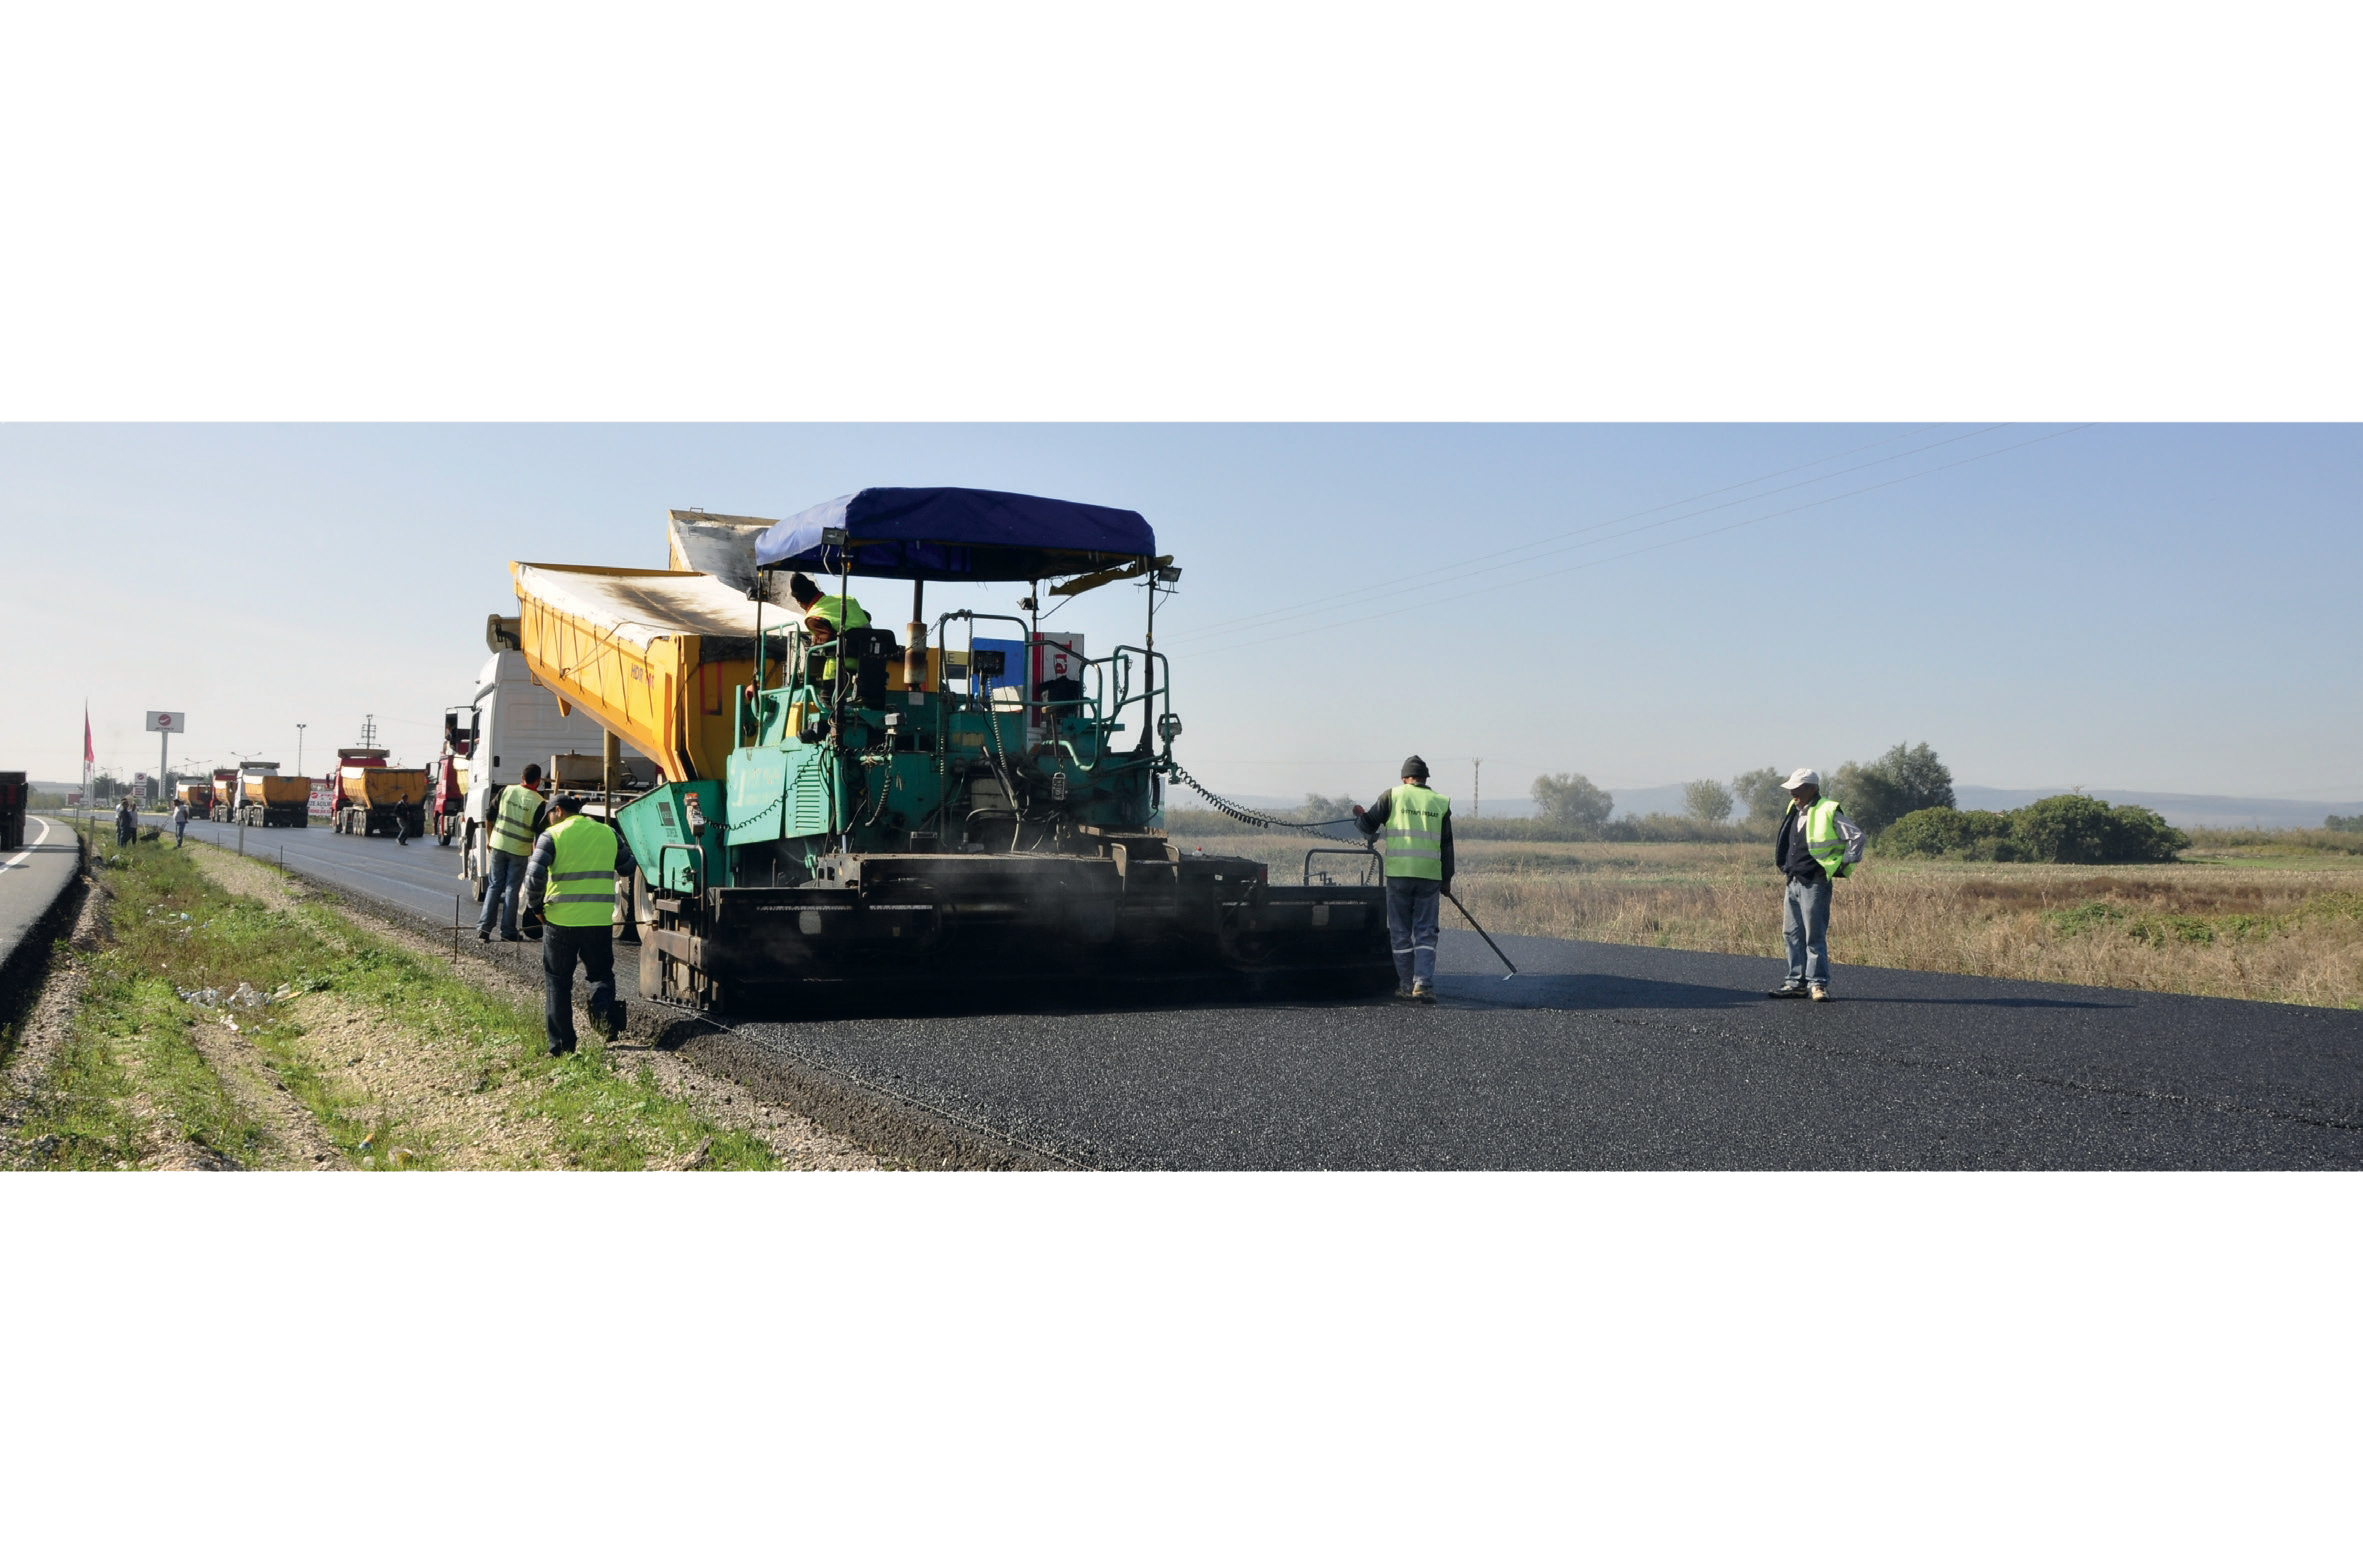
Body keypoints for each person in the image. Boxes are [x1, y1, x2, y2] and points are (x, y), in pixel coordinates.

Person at [520, 793, 636, 1055]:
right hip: (598, 919)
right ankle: (606, 1026)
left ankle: (561, 1045)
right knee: (601, 975)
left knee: (558, 982)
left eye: (549, 816)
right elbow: (628, 866)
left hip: (560, 920)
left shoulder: (552, 836)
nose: (548, 822)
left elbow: (534, 876)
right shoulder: (607, 833)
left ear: (558, 811)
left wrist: (535, 907)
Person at [1353, 755, 1455, 1003]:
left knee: (1400, 931)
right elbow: (1447, 845)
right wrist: (1446, 879)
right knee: (1425, 931)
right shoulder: (1440, 802)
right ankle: (1424, 984)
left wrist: (1359, 816)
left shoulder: (1392, 796)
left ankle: (1406, 985)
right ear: (1425, 779)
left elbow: (1367, 825)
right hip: (1430, 877)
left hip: (1399, 875)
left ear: (1404, 778)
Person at [1768, 768, 1866, 1002]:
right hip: (1793, 880)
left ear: (1812, 788)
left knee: (1814, 935)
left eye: (1797, 788)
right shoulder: (1794, 809)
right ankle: (1796, 982)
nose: (1792, 792)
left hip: (1815, 882)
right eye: (1791, 788)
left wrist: (1842, 863)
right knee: (1791, 933)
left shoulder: (1828, 809)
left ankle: (1817, 984)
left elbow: (1857, 837)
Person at [476, 763, 546, 942]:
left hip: (498, 844)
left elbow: (489, 816)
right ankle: (507, 932)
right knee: (512, 889)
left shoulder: (506, 791)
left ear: (522, 777)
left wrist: (489, 839)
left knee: (494, 886)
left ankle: (483, 929)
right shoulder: (539, 802)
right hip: (519, 850)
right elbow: (539, 833)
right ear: (538, 781)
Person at [787, 570, 869, 682]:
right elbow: (866, 616)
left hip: (839, 669)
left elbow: (827, 639)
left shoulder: (812, 617)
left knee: (826, 697)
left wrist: (816, 642)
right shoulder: (847, 600)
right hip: (868, 665)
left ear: (799, 601)